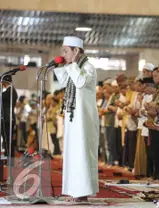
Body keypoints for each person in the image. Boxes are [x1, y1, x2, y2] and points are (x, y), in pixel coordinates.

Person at [53, 36, 99, 202]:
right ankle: (74, 190)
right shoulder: (74, 66)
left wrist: (71, 65)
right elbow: (65, 81)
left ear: (77, 51)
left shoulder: (88, 67)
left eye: (66, 51)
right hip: (73, 117)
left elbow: (80, 82)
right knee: (73, 153)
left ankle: (83, 192)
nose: (63, 54)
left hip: (84, 118)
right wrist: (62, 66)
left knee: (82, 153)